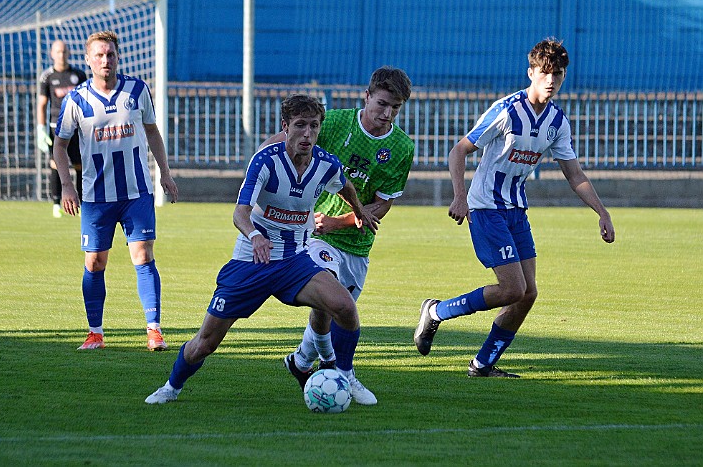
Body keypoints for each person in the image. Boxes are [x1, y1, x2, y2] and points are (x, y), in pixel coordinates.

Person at [144, 94, 378, 405]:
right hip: (251, 261)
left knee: (344, 306)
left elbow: (344, 184)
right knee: (206, 342)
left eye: (313, 126)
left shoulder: (326, 164)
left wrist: (359, 209)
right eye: (299, 126)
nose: (307, 134)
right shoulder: (266, 161)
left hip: (295, 261)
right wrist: (255, 235)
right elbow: (240, 212)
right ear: (285, 127)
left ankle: (343, 374)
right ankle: (171, 387)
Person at [414, 38, 615, 377]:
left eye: (559, 74)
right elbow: (459, 150)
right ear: (532, 72)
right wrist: (460, 195)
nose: (552, 80)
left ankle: (483, 364)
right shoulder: (506, 109)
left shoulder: (557, 122)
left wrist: (602, 212)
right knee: (511, 288)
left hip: (516, 210)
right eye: (545, 72)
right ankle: (436, 312)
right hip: (485, 207)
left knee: (527, 293)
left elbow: (574, 173)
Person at [262, 66, 413, 405]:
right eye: (382, 104)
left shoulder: (402, 147)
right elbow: (282, 144)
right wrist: (259, 169)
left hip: (357, 244)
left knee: (335, 310)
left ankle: (301, 361)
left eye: (395, 108)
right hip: (313, 235)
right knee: (329, 294)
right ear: (367, 96)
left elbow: (381, 206)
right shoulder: (334, 123)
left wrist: (339, 222)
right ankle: (342, 370)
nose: (387, 114)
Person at [54, 30, 179, 351]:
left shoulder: (137, 91)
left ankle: (154, 330)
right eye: (99, 55)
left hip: (137, 192)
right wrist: (67, 186)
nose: (105, 60)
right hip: (96, 197)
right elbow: (60, 145)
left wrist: (165, 173)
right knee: (95, 262)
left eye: (110, 54)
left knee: (143, 255)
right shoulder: (76, 100)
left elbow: (152, 131)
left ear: (117, 56)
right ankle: (95, 333)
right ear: (88, 60)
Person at [37, 40, 87, 218]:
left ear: (69, 53)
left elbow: (86, 100)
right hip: (56, 127)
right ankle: (56, 203)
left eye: (64, 52)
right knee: (56, 164)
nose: (61, 55)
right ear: (52, 54)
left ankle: (82, 202)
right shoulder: (47, 76)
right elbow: (42, 104)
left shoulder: (78, 75)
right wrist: (41, 129)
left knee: (80, 164)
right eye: (58, 52)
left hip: (76, 127)